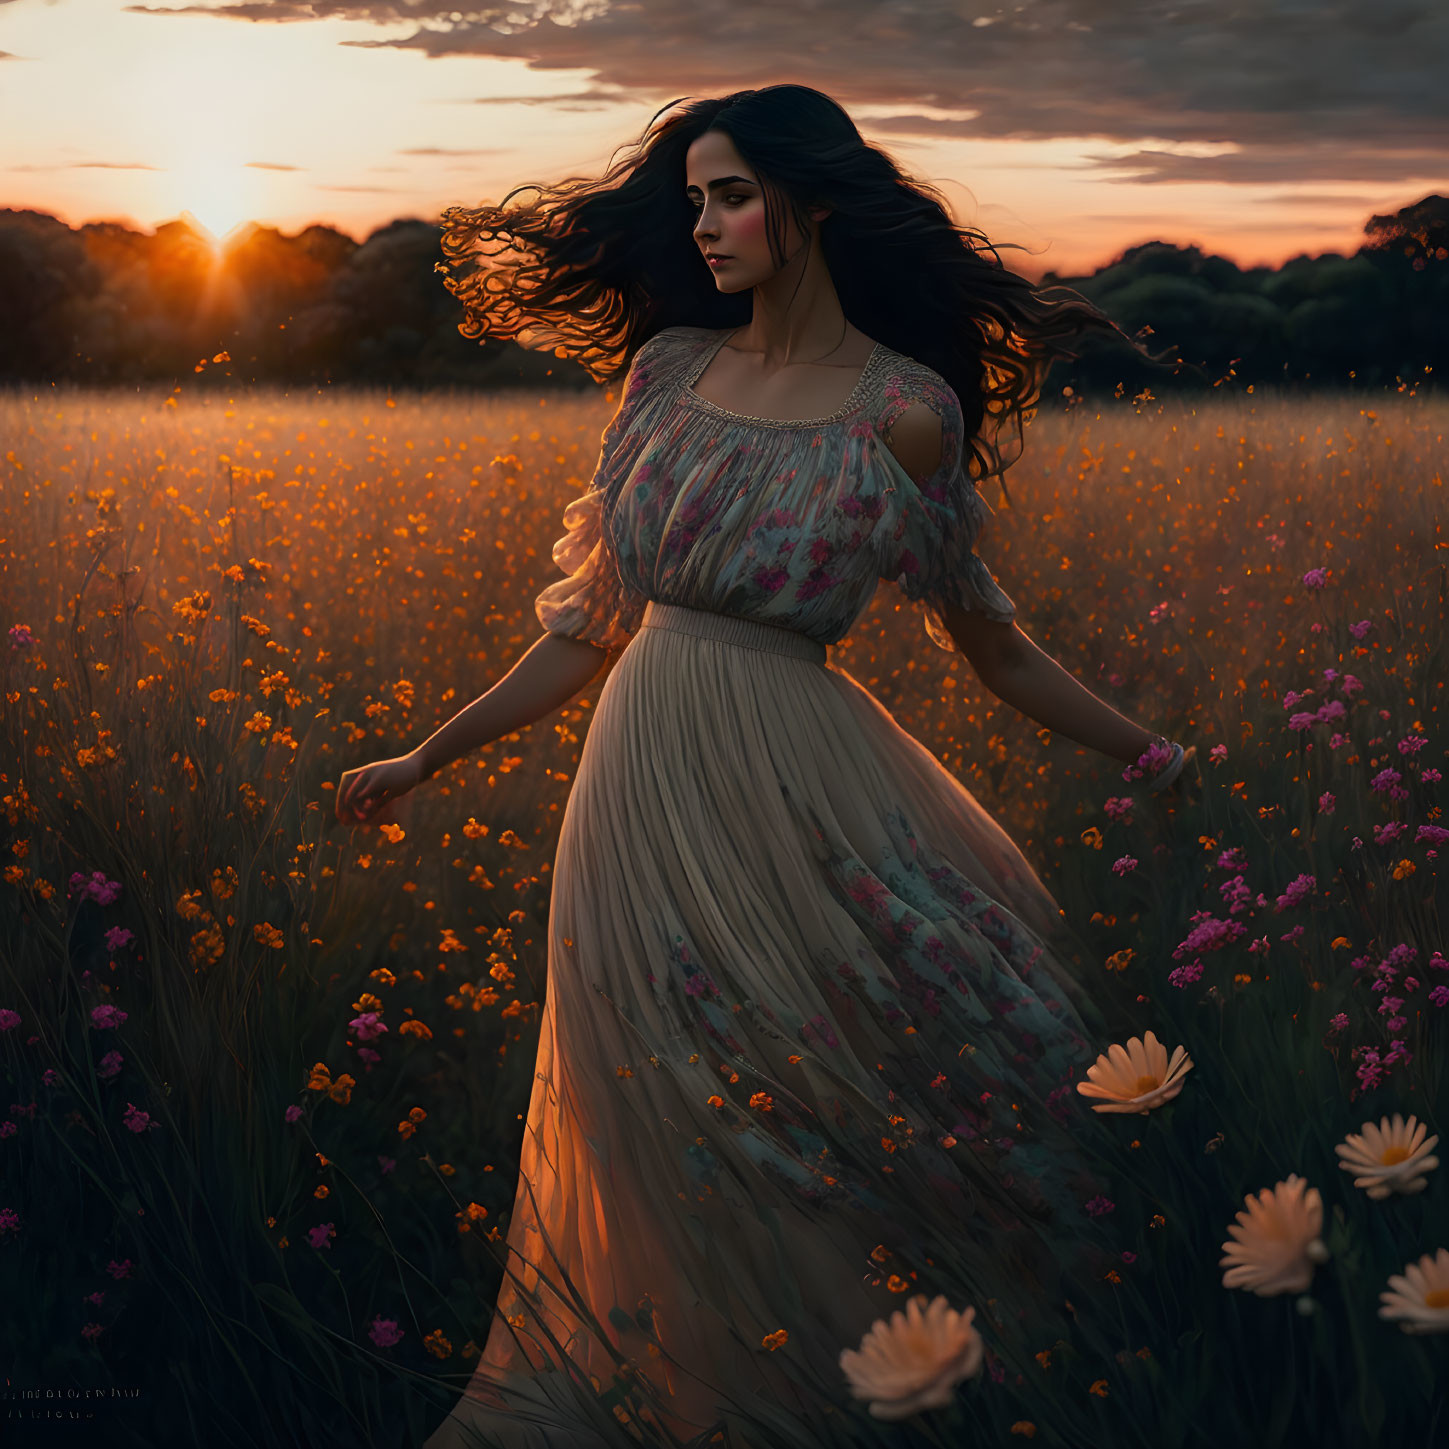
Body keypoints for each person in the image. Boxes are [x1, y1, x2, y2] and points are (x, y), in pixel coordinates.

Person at [337, 86, 1196, 1449]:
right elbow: (585, 630)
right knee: (656, 1094)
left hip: (800, 776)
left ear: (809, 205)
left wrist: (1148, 750)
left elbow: (999, 650)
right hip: (638, 781)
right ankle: (679, 1396)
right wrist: (427, 751)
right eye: (692, 198)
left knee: (830, 1079)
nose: (704, 222)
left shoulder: (905, 413)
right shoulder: (665, 371)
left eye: (728, 192)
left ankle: (832, 1394)